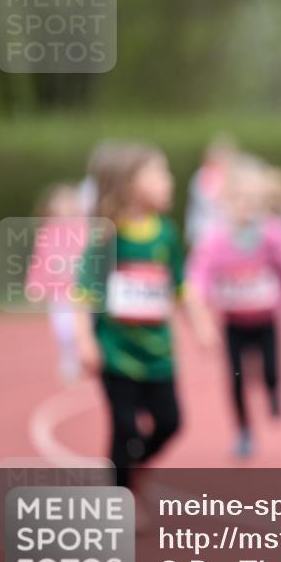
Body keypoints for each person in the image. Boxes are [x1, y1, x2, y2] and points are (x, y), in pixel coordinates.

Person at [73, 143, 202, 492]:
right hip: (116, 353)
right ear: (129, 185)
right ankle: (121, 494)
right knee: (125, 428)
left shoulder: (166, 233)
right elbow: (82, 293)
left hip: (159, 354)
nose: (170, 181)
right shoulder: (107, 235)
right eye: (159, 174)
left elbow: (180, 285)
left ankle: (132, 467)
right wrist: (84, 342)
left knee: (170, 423)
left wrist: (201, 323)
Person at [186, 155, 281, 458]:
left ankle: (273, 392)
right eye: (238, 199)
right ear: (225, 202)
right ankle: (243, 430)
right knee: (235, 379)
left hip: (266, 319)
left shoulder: (273, 233)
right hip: (233, 322)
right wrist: (200, 315)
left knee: (271, 370)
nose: (245, 206)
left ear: (263, 203)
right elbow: (198, 276)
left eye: (253, 201)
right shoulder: (215, 239)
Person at [26, 183, 87, 383]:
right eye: (62, 203)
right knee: (63, 331)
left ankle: (84, 356)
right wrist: (35, 286)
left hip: (80, 291)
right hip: (58, 293)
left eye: (70, 202)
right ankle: (68, 358)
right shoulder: (47, 233)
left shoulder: (85, 230)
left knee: (81, 327)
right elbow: (39, 261)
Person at [185, 135, 237, 245]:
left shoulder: (227, 177)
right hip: (203, 230)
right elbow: (207, 200)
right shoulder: (203, 175)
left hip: (220, 230)